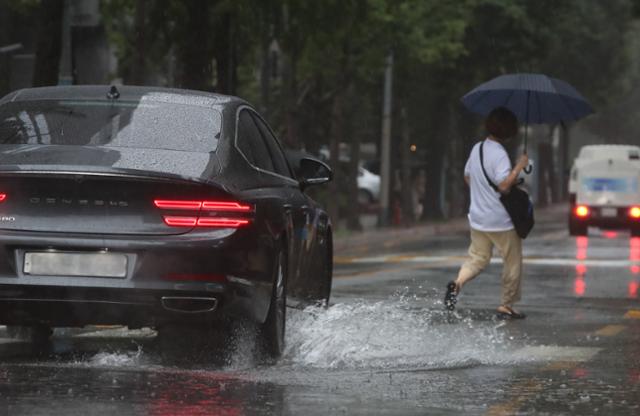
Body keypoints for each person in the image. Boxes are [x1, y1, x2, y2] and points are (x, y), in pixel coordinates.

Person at [444, 107, 529, 319]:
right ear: (508, 130)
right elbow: (503, 186)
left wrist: (481, 190)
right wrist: (519, 167)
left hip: (478, 218)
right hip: (500, 220)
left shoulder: (477, 148)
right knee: (512, 262)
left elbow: (467, 176)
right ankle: (506, 305)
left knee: (477, 258)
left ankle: (458, 283)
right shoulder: (500, 154)